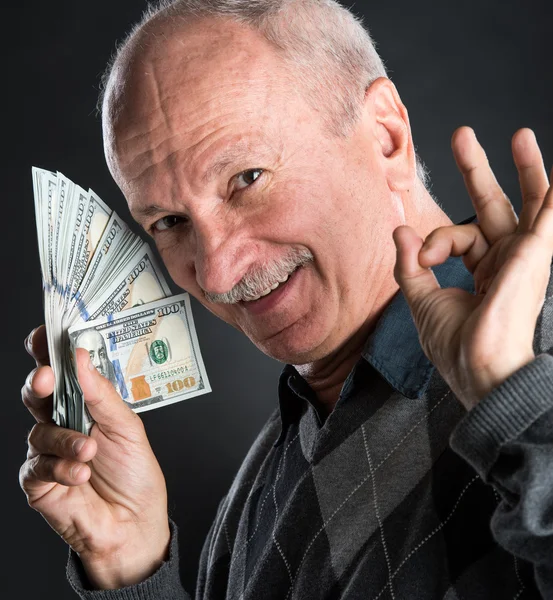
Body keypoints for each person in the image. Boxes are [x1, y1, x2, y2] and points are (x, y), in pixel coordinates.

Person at [20, 0, 553, 598]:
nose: (217, 273)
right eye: (170, 221)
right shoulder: (259, 487)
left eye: (246, 179)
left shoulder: (544, 358)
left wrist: (518, 409)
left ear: (386, 137)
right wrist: (131, 562)